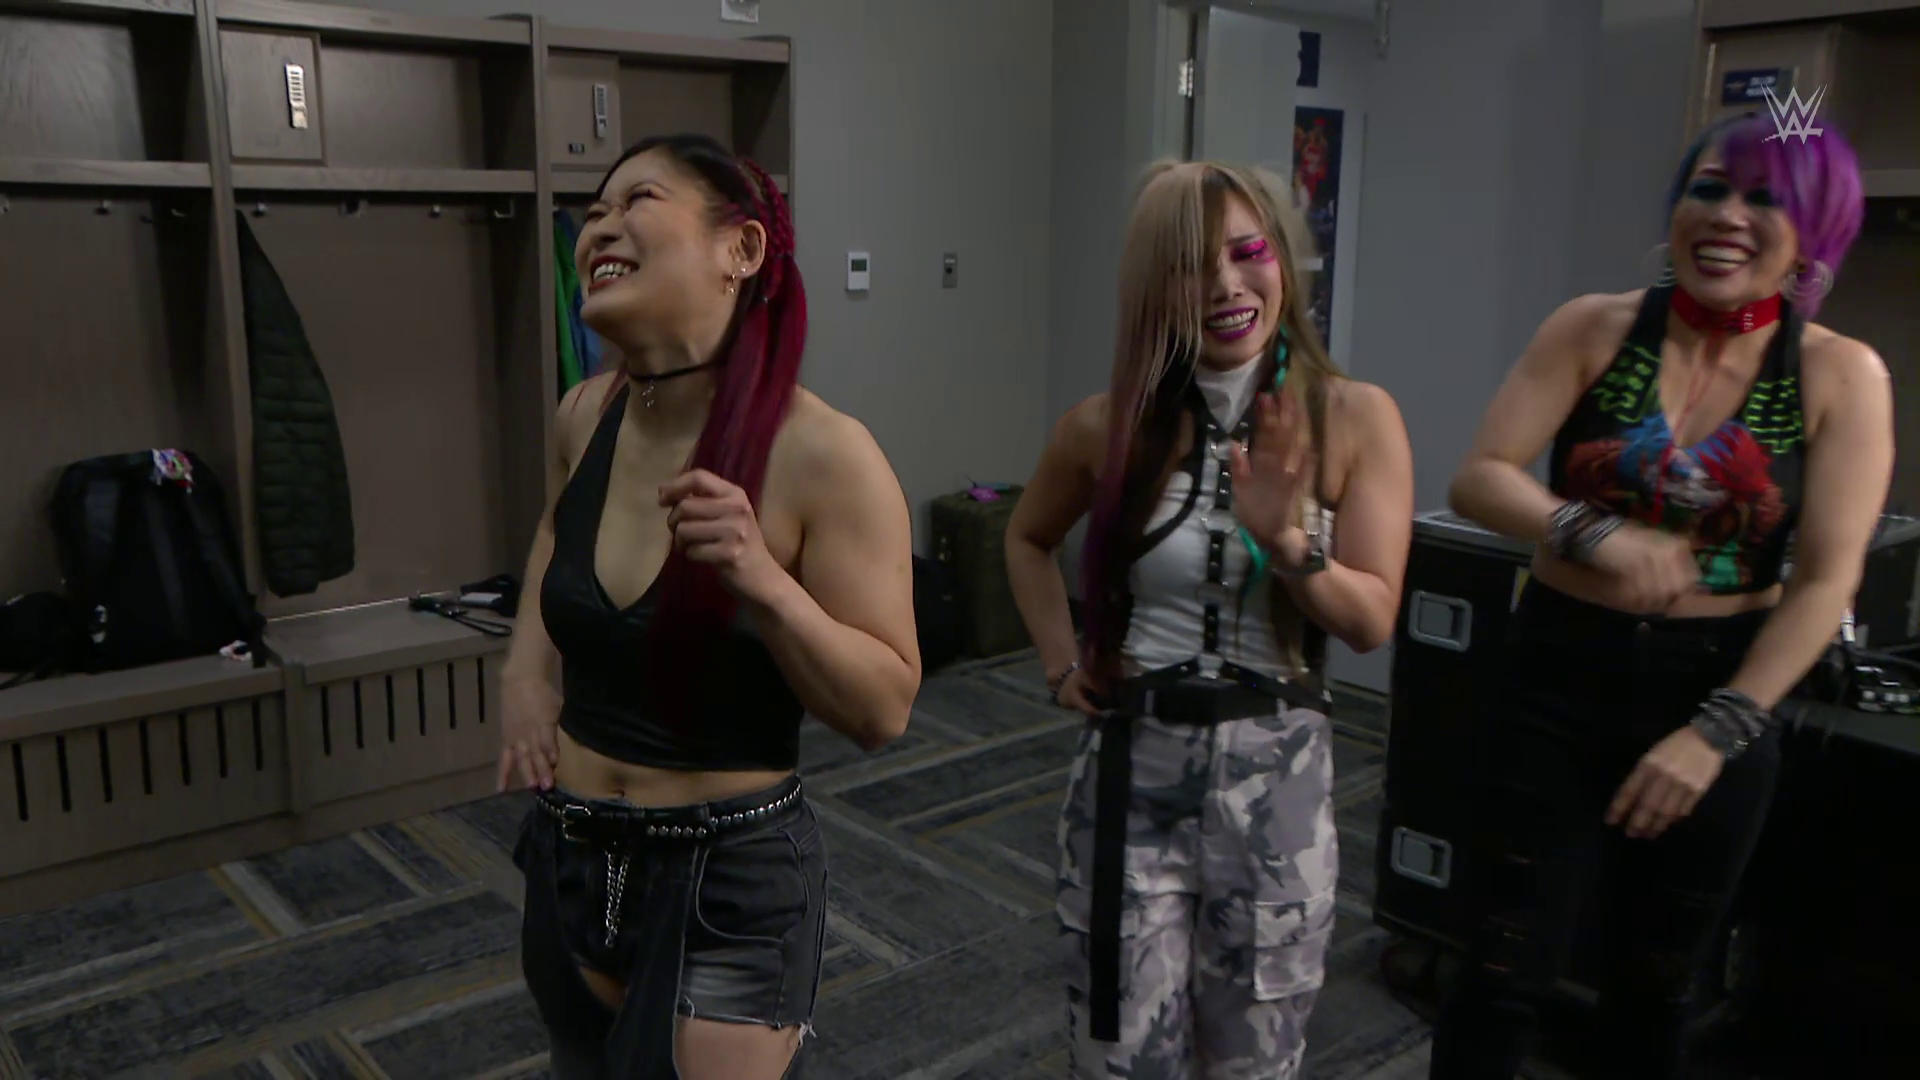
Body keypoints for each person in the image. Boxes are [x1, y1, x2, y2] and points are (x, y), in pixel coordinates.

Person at [1429, 112, 1886, 1079]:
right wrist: (1591, 530)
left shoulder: (1841, 373)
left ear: (1816, 232)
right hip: (1557, 673)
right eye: (1708, 188)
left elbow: (1826, 580)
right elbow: (1481, 477)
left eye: (1766, 200)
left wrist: (1716, 733)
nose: (1727, 215)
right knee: (1501, 966)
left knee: (1658, 981)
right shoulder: (1593, 326)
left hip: (1717, 690)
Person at [494, 133, 921, 1080]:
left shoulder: (825, 453)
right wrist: (525, 668)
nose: (599, 227)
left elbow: (884, 708)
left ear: (743, 250)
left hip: (728, 883)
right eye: (594, 212)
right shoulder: (583, 414)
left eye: (638, 200)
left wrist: (763, 583)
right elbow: (553, 534)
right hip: (570, 852)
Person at [1006, 160, 1414, 1078]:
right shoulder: (1106, 426)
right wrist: (1061, 664)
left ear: (1282, 261)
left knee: (1253, 1060)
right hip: (1131, 776)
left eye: (1248, 251)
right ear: (1157, 288)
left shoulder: (1354, 418)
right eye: (1193, 265)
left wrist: (1290, 544)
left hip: (1277, 781)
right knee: (1118, 1055)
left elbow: (1372, 623)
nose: (1227, 284)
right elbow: (1025, 539)